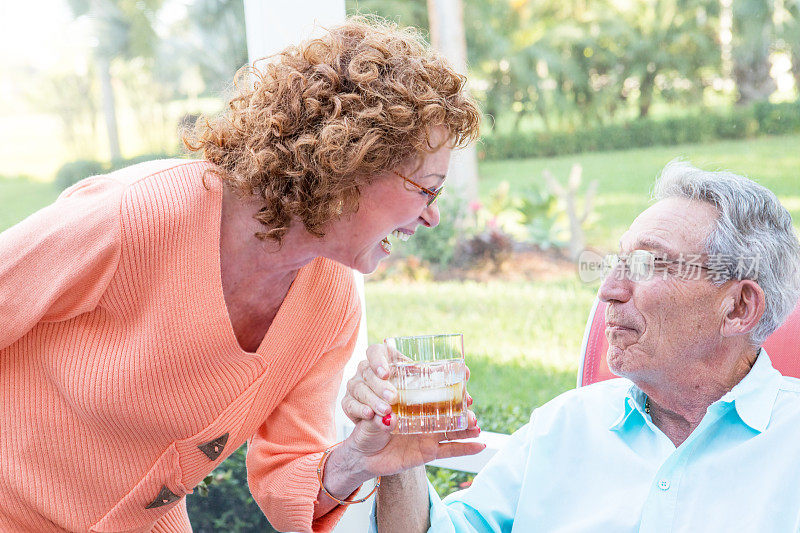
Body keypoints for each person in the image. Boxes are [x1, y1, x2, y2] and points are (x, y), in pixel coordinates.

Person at [0, 17, 484, 532]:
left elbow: (286, 479)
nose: (432, 216)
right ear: (355, 164)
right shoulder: (136, 216)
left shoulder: (330, 300)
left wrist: (361, 460)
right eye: (427, 188)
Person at [342, 161, 800, 532]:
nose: (608, 291)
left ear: (739, 307)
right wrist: (399, 465)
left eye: (647, 264)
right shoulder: (563, 427)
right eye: (617, 261)